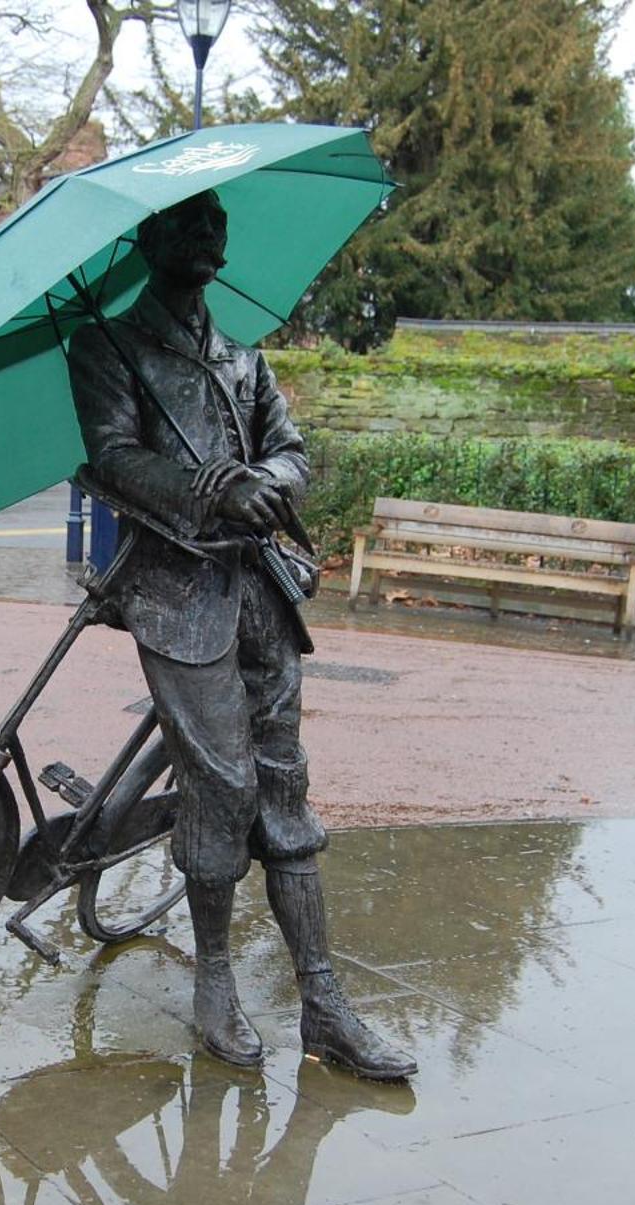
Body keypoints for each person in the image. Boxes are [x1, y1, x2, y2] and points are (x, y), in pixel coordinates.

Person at [64, 190, 416, 1080]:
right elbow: (111, 457)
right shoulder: (107, 347)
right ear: (151, 240)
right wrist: (205, 489)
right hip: (177, 597)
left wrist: (264, 478)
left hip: (260, 589)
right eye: (192, 222)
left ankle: (325, 1002)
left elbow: (293, 452)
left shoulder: (241, 358)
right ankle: (214, 979)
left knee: (284, 786)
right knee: (220, 786)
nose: (212, 236)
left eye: (219, 223)